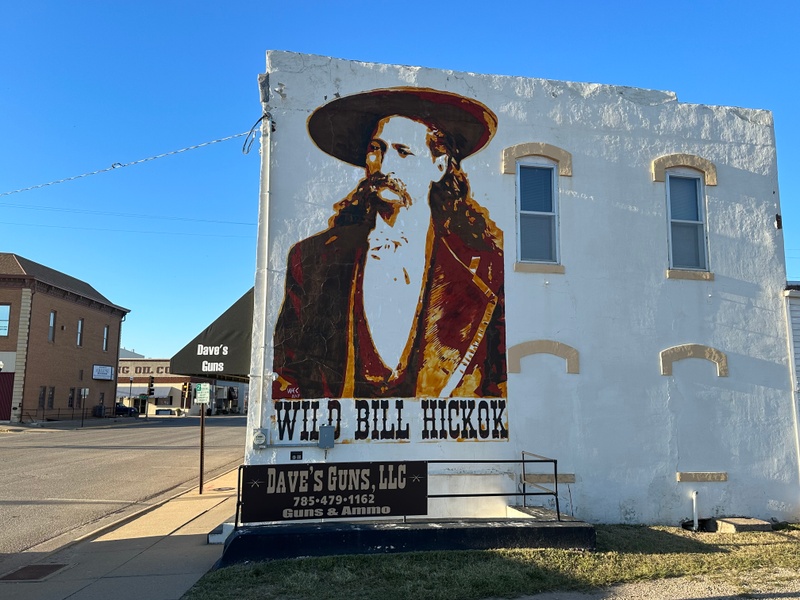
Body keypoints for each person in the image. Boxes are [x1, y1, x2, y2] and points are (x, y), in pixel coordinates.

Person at [272, 87, 506, 400]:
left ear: (438, 166)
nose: (383, 166)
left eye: (403, 151)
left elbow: (498, 384)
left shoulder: (487, 270)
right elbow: (286, 374)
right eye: (376, 149)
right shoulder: (311, 259)